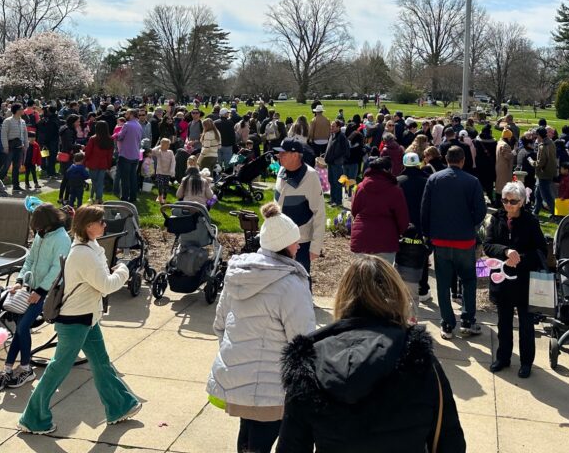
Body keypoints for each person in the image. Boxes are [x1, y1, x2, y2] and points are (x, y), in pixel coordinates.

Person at [277, 256, 466, 453]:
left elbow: (291, 446)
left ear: (342, 297)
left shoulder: (308, 362)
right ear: (397, 296)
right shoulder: (419, 359)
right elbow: (450, 441)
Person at [18, 204, 141, 435]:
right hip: (75, 320)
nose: (105, 224)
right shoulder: (83, 253)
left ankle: (121, 406)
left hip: (87, 317)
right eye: (101, 221)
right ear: (88, 226)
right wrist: (124, 270)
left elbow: (100, 277)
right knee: (57, 370)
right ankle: (32, 418)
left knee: (101, 363)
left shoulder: (90, 245)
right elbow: (106, 285)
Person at [207, 202, 315, 453]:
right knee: (260, 441)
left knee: (247, 438)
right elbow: (303, 341)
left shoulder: (238, 274)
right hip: (271, 387)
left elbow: (220, 325)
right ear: (284, 245)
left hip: (237, 379)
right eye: (295, 241)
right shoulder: (290, 285)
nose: (298, 246)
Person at [0, 204, 72, 392]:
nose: (37, 231)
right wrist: (20, 280)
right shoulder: (41, 235)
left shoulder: (61, 239)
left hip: (48, 293)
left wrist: (41, 291)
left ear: (48, 224)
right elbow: (30, 260)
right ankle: (9, 368)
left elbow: (57, 269)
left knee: (22, 326)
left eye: (39, 227)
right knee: (20, 328)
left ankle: (26, 369)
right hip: (30, 289)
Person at [420, 145, 486, 340]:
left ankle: (447, 323)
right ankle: (467, 319)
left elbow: (425, 209)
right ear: (463, 160)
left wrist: (427, 235)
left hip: (440, 240)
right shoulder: (472, 181)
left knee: (442, 282)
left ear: (446, 159)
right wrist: (470, 224)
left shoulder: (434, 179)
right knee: (468, 280)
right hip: (464, 240)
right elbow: (481, 212)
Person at [483, 181, 548, 377]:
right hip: (503, 281)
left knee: (526, 325)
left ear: (521, 202)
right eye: (505, 200)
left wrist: (519, 259)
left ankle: (526, 362)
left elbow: (540, 251)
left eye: (513, 201)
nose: (508, 205)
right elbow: (488, 245)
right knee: (504, 322)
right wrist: (505, 252)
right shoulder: (496, 218)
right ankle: (503, 357)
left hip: (524, 282)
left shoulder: (531, 221)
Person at [272, 138, 326, 274]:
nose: (279, 156)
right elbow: (276, 203)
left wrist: (315, 247)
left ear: (295, 155)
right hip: (278, 240)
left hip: (300, 243)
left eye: (283, 153)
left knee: (301, 283)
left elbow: (319, 213)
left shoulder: (311, 176)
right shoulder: (281, 171)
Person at [349, 156, 409, 264]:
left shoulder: (361, 187)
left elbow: (354, 210)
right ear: (388, 170)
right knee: (383, 278)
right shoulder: (395, 190)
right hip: (386, 239)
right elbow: (402, 218)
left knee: (362, 278)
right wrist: (398, 232)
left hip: (362, 237)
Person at [83, 120, 114, 204]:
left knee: (95, 182)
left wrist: (84, 161)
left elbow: (88, 152)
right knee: (99, 182)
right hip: (103, 163)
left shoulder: (93, 139)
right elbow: (110, 154)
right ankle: (94, 197)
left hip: (93, 163)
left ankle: (98, 198)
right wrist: (109, 165)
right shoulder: (110, 139)